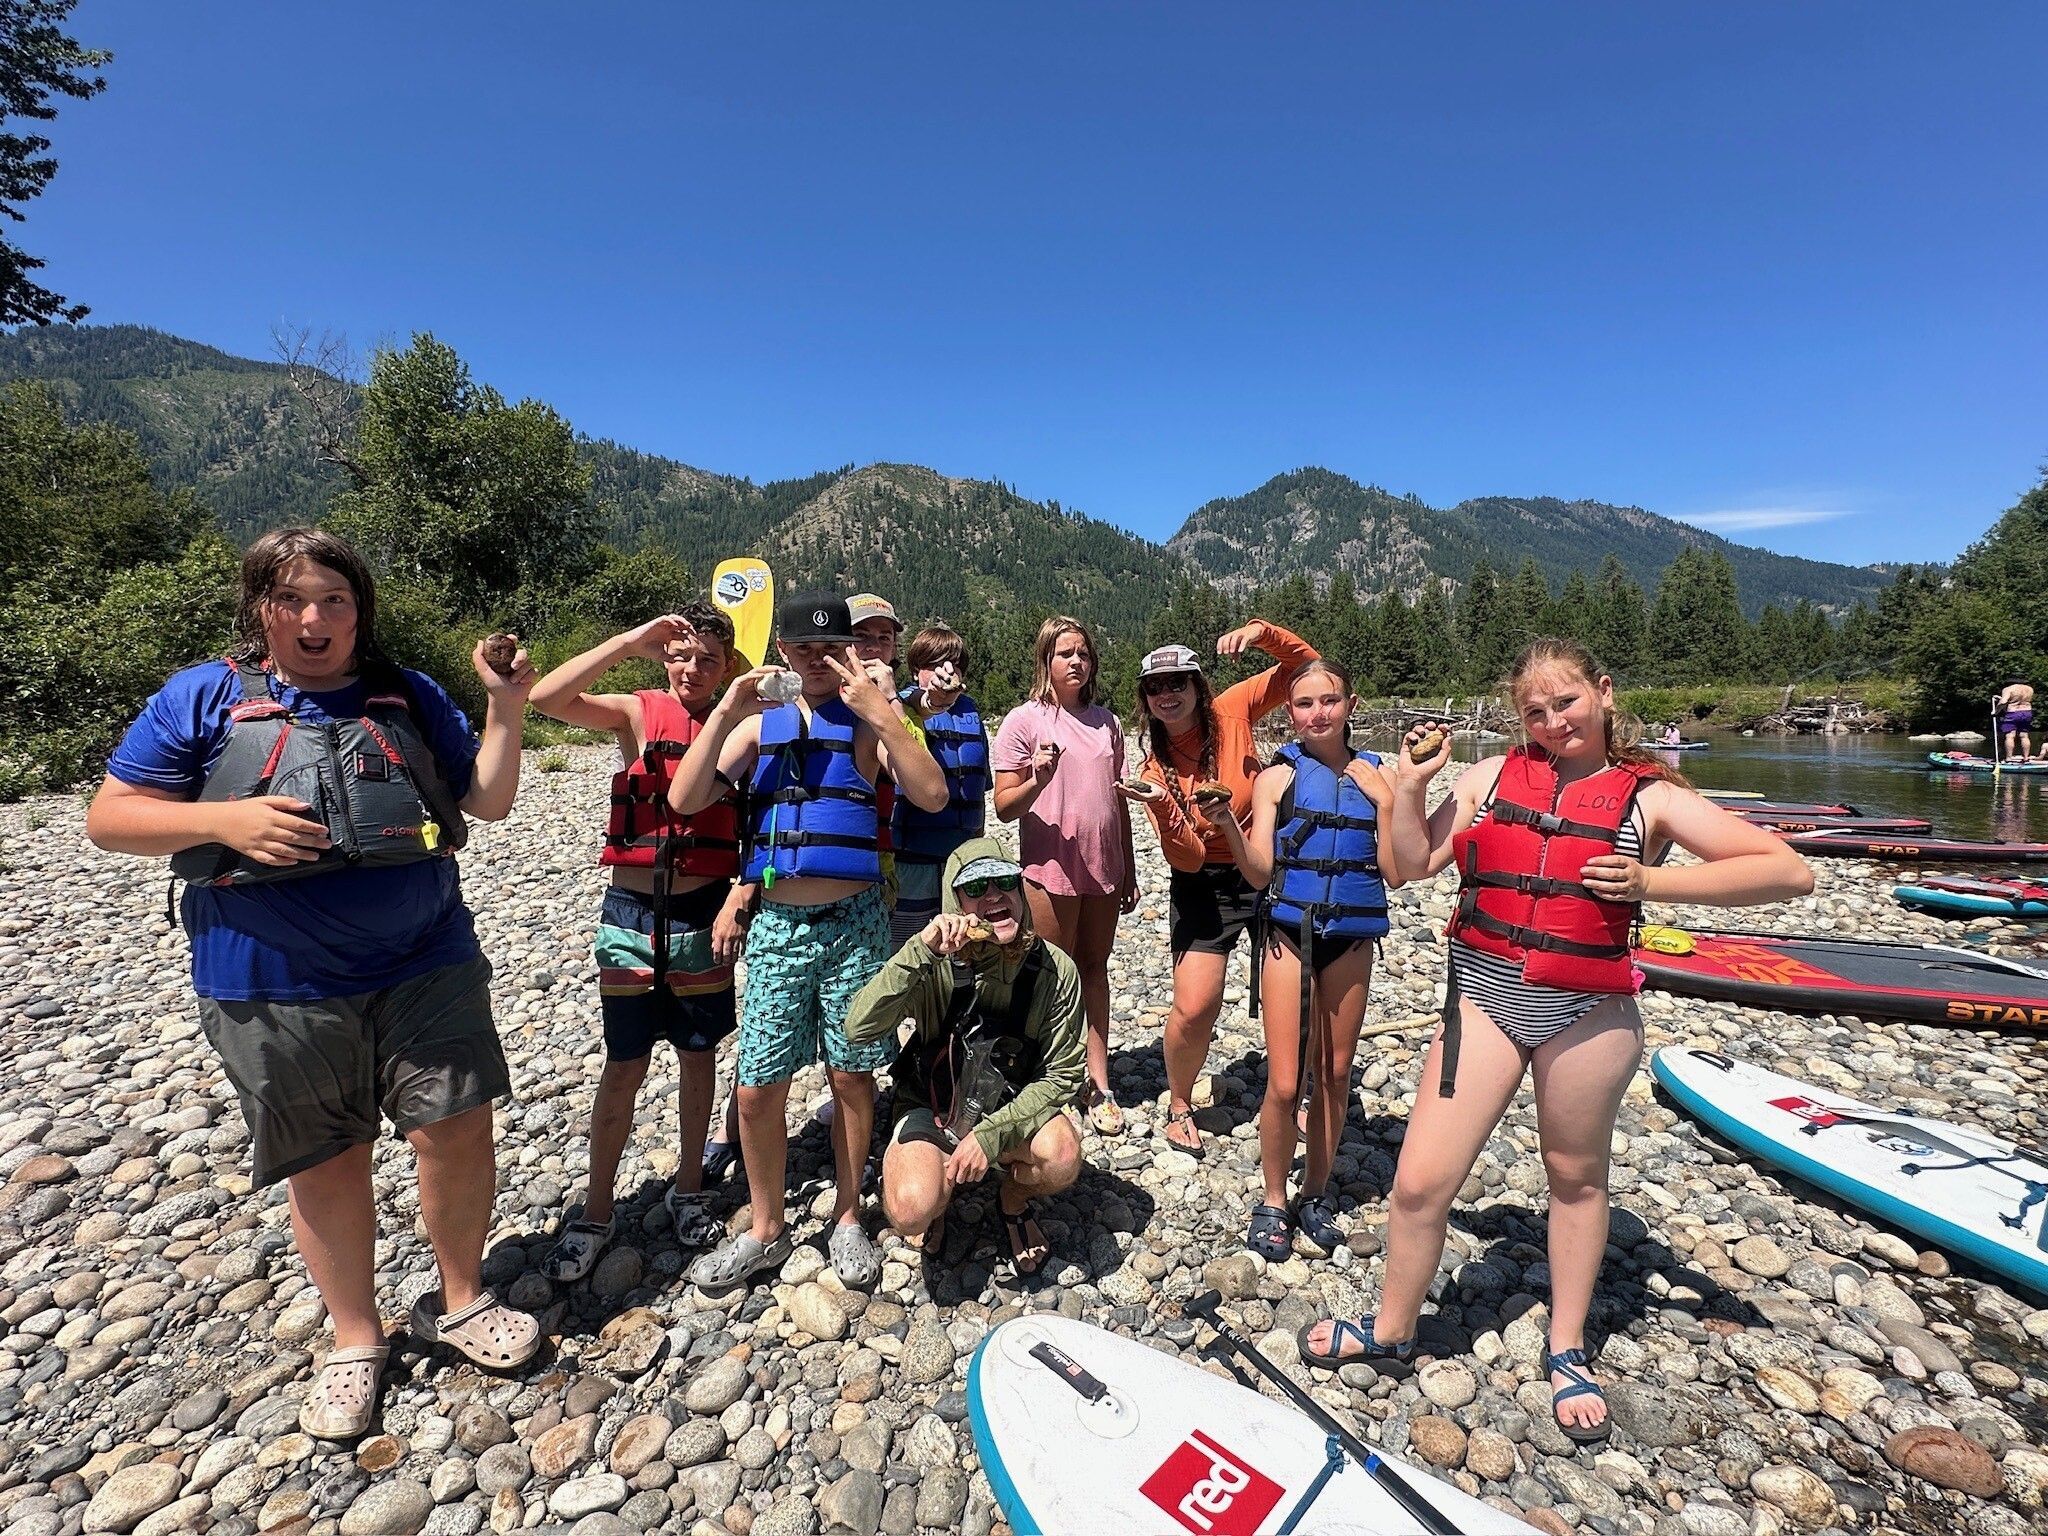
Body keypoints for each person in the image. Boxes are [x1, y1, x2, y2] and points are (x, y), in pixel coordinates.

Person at [85, 528, 541, 1440]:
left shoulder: (407, 693)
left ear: (359, 609)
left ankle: (461, 1298)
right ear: (261, 607)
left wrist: (506, 706)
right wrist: (226, 822)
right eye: (291, 598)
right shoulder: (203, 695)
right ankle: (355, 1337)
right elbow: (110, 818)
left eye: (334, 598)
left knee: (455, 1125)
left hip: (426, 956)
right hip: (269, 974)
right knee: (326, 1155)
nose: (314, 617)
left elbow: (487, 802)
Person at [1298, 638, 1812, 1444]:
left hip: (1589, 1013)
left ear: (1603, 692)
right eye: (1534, 711)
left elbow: (1786, 872)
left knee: (1574, 1179)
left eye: (1565, 702)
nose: (1552, 721)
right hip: (1485, 1001)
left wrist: (1652, 881)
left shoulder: (1652, 796)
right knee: (1420, 1184)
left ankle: (1567, 1346)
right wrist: (1412, 786)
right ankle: (1393, 1328)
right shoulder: (1489, 777)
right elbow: (1409, 866)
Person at [666, 592, 947, 1292]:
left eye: (830, 648)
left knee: (851, 1075)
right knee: (758, 1085)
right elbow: (684, 799)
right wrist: (726, 711)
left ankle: (848, 1216)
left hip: (854, 922)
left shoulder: (867, 724)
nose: (817, 660)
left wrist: (884, 712)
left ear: (848, 651)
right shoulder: (757, 727)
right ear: (782, 652)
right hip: (779, 926)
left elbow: (933, 794)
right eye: (803, 649)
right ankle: (766, 1227)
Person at [525, 602, 754, 1277]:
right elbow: (545, 699)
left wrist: (742, 895)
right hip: (631, 914)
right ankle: (596, 1210)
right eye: (681, 656)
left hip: (704, 912)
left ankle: (689, 1187)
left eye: (708, 659)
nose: (692, 669)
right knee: (624, 1064)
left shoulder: (741, 724)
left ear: (727, 667)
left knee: (697, 1055)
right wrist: (628, 642)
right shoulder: (637, 711)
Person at [1202, 659, 1396, 1257]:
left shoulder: (1379, 777)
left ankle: (1314, 1192)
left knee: (1335, 1074)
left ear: (1351, 705)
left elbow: (1395, 872)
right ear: (1290, 712)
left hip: (1351, 939)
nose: (1318, 713)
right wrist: (1227, 828)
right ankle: (1272, 1198)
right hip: (1290, 934)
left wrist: (1388, 805)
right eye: (1305, 703)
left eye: (1329, 701)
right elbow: (1260, 871)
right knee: (1286, 1082)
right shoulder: (1275, 780)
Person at [1116, 619, 1317, 1156]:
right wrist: (1165, 809)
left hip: (1271, 865)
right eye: (1155, 687)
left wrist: (1263, 633)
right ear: (1145, 699)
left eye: (1177, 682)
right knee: (1195, 1006)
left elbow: (1307, 671)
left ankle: (1299, 1093)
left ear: (1197, 685)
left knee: (1297, 993)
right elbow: (1189, 857)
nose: (1167, 694)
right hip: (1205, 885)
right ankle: (1179, 1102)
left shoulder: (1233, 708)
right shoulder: (1154, 769)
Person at [845, 838, 1086, 1274]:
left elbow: (1063, 1074)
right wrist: (919, 951)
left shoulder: (1055, 969)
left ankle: (1012, 1197)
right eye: (974, 889)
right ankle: (939, 1195)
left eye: (1004, 882)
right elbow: (858, 1028)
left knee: (1062, 1156)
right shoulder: (932, 962)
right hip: (933, 1104)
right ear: (954, 904)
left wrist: (991, 1135)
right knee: (911, 1211)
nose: (993, 895)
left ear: (1020, 890)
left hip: (1010, 1105)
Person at [991, 616, 1139, 1133]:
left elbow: (1118, 802)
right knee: (1052, 975)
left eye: (1083, 653)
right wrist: (1038, 778)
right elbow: (1005, 806)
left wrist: (1128, 865)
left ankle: (1097, 1081)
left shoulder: (1107, 723)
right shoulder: (1024, 722)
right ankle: (1048, 1078)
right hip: (1049, 868)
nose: (1076, 661)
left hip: (1103, 866)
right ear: (1045, 661)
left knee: (1094, 969)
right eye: (1064, 653)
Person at [891, 623, 990, 951]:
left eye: (955, 664)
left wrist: (978, 849)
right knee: (911, 946)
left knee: (960, 946)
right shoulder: (902, 708)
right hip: (911, 858)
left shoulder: (971, 712)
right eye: (934, 663)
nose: (947, 671)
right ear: (916, 669)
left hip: (961, 856)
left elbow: (979, 790)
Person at [1996, 679, 2034, 760]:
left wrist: (1996, 711)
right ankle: (2026, 757)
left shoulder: (2008, 689)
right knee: (2024, 735)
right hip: (2027, 712)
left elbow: (2003, 702)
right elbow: (2020, 699)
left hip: (2013, 712)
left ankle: (2009, 758)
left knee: (2010, 736)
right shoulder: (2029, 689)